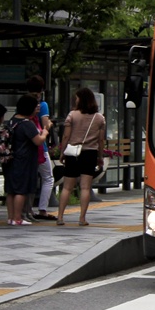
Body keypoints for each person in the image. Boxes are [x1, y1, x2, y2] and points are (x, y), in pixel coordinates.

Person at [56, 88, 106, 227]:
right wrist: (100, 156)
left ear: (81, 99)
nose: (75, 100)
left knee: (67, 187)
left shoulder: (72, 115)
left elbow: (66, 136)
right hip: (90, 154)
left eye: (77, 98)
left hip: (73, 153)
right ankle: (82, 218)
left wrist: (62, 152)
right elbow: (101, 141)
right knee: (85, 188)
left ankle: (60, 217)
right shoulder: (99, 118)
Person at [5, 95, 46, 227]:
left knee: (11, 190)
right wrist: (45, 131)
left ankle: (11, 218)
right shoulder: (27, 124)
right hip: (23, 160)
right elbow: (38, 141)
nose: (37, 109)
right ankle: (18, 218)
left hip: (10, 159)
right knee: (21, 190)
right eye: (35, 107)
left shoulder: (12, 120)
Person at [25, 76, 56, 221]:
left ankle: (27, 210)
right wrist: (50, 123)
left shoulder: (23, 102)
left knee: (29, 179)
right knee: (48, 178)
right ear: (42, 89)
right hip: (40, 147)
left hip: (25, 147)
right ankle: (42, 209)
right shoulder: (42, 105)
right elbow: (45, 125)